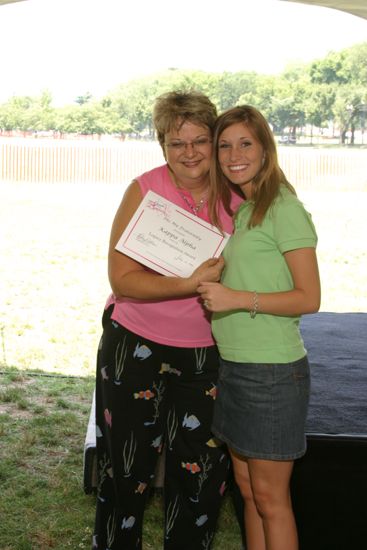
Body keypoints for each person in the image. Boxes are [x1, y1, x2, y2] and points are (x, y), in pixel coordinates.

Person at [92, 91, 243, 550]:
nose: (191, 152)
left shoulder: (239, 194)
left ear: (215, 141)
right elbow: (122, 279)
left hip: (206, 352)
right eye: (178, 143)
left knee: (199, 473)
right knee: (127, 468)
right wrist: (190, 282)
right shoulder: (145, 189)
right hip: (133, 343)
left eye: (200, 140)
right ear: (162, 145)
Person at [198, 105, 321, 550]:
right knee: (249, 494)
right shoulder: (247, 209)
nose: (234, 154)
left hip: (271, 374)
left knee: (272, 499)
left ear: (266, 149)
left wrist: (236, 299)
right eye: (225, 145)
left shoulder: (284, 208)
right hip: (236, 367)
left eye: (245, 143)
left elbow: (309, 297)